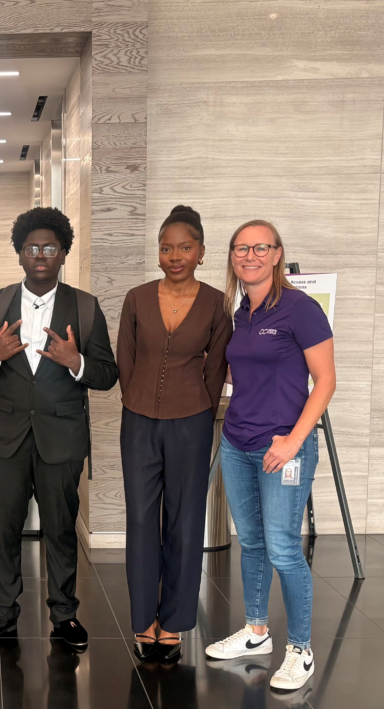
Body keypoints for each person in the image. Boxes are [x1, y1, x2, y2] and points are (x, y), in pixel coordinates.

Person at [0, 207, 119, 652]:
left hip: (62, 439)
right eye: (31, 247)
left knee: (60, 528)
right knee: (3, 526)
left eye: (49, 247)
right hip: (5, 439)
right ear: (18, 254)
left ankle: (64, 615)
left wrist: (77, 363)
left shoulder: (85, 307)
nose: (40, 255)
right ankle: (1, 613)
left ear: (64, 253)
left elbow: (107, 374)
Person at [204, 220, 335, 693]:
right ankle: (257, 632)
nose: (250, 255)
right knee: (253, 543)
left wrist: (293, 440)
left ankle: (301, 650)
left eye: (261, 247)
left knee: (282, 547)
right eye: (241, 248)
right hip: (238, 444)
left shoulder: (300, 309)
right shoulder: (240, 312)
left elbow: (325, 382)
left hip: (282, 446)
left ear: (278, 254)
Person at [118, 205, 232, 663]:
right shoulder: (137, 298)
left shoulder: (215, 304)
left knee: (185, 522)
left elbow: (216, 368)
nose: (175, 255)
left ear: (201, 252)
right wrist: (139, 401)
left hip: (192, 421)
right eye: (166, 247)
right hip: (138, 420)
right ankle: (145, 620)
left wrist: (196, 411)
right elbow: (126, 360)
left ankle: (175, 623)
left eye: (185, 247)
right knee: (142, 521)